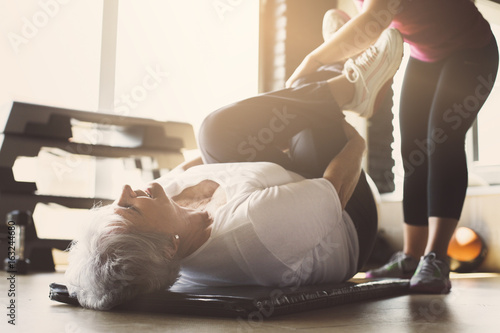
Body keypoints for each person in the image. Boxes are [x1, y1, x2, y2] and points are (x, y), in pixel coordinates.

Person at [64, 27, 404, 311]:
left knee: (216, 136)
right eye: (129, 209)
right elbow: (337, 188)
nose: (125, 192)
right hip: (349, 216)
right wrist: (355, 138)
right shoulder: (254, 230)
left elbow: (197, 162)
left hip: (290, 180)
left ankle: (335, 75)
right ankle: (342, 81)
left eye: (114, 203)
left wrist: (275, 129)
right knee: (304, 121)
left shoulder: (162, 210)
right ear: (168, 248)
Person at [286, 0, 499, 294]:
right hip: (425, 58)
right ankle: (411, 258)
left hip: (472, 54)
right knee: (412, 152)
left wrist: (312, 60)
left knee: (442, 142)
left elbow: (374, 20)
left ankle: (436, 257)